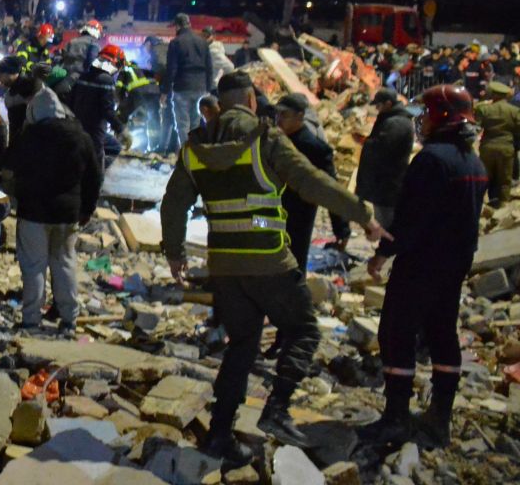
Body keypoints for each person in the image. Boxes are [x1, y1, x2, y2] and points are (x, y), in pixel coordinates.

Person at [160, 72, 388, 467]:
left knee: (242, 346)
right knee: (303, 330)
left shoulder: (196, 148)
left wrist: (175, 253)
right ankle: (277, 410)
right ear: (251, 100)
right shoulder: (265, 140)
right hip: (269, 261)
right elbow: (312, 182)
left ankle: (219, 436)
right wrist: (362, 215)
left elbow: (172, 203)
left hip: (225, 266)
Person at [360, 85, 487, 449]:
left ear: (443, 116)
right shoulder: (473, 162)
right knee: (442, 334)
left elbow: (411, 216)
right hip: (454, 265)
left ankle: (396, 418)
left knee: (396, 334)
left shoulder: (431, 160)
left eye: (428, 113)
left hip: (421, 264)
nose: (423, 121)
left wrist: (384, 252)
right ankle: (439, 417)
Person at [7, 87, 102, 333]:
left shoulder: (28, 137)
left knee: (33, 267)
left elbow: (11, 167)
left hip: (33, 213)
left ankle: (31, 320)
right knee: (65, 264)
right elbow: (94, 176)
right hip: (67, 213)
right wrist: (87, 208)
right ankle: (69, 319)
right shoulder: (82, 137)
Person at [273, 93, 352, 268]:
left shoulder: (314, 148)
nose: (278, 119)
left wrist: (341, 230)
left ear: (300, 116)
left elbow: (330, 189)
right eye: (276, 114)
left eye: (284, 115)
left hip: (297, 217)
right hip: (269, 216)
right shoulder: (273, 141)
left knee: (293, 263)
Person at [355, 88, 415, 228]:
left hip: (388, 183)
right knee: (382, 218)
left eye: (379, 104)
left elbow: (384, 150)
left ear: (388, 103)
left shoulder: (397, 123)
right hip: (382, 183)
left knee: (387, 222)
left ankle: (387, 248)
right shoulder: (390, 119)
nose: (376, 108)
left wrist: (366, 142)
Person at [161, 13, 213, 150]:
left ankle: (186, 154)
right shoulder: (203, 41)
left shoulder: (176, 42)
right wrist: (208, 89)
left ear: (177, 26)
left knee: (182, 123)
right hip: (201, 88)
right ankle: (195, 152)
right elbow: (209, 67)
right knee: (196, 122)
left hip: (182, 87)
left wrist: (165, 92)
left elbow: (171, 69)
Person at [474, 81, 520, 205]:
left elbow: (476, 126)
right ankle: (503, 207)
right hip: (506, 147)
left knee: (484, 178)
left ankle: (480, 205)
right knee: (505, 181)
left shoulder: (485, 109)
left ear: (493, 94)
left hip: (487, 147)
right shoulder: (514, 111)